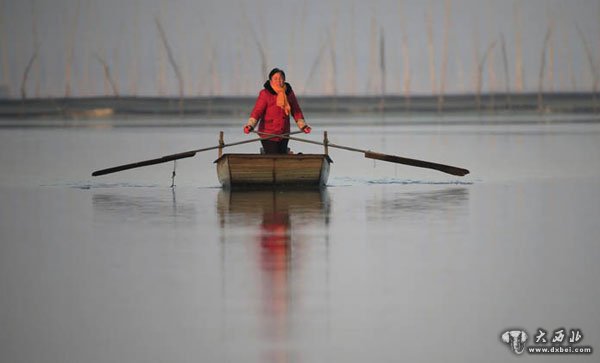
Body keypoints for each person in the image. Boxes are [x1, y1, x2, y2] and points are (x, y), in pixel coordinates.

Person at [244, 68, 311, 154]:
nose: (278, 81)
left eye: (281, 78)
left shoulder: (289, 93)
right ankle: (266, 154)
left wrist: (303, 126)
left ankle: (286, 154)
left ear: (284, 80)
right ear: (271, 80)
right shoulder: (265, 93)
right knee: (273, 155)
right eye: (275, 78)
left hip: (284, 133)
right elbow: (257, 111)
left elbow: (295, 110)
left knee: (282, 156)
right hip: (268, 133)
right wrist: (250, 125)